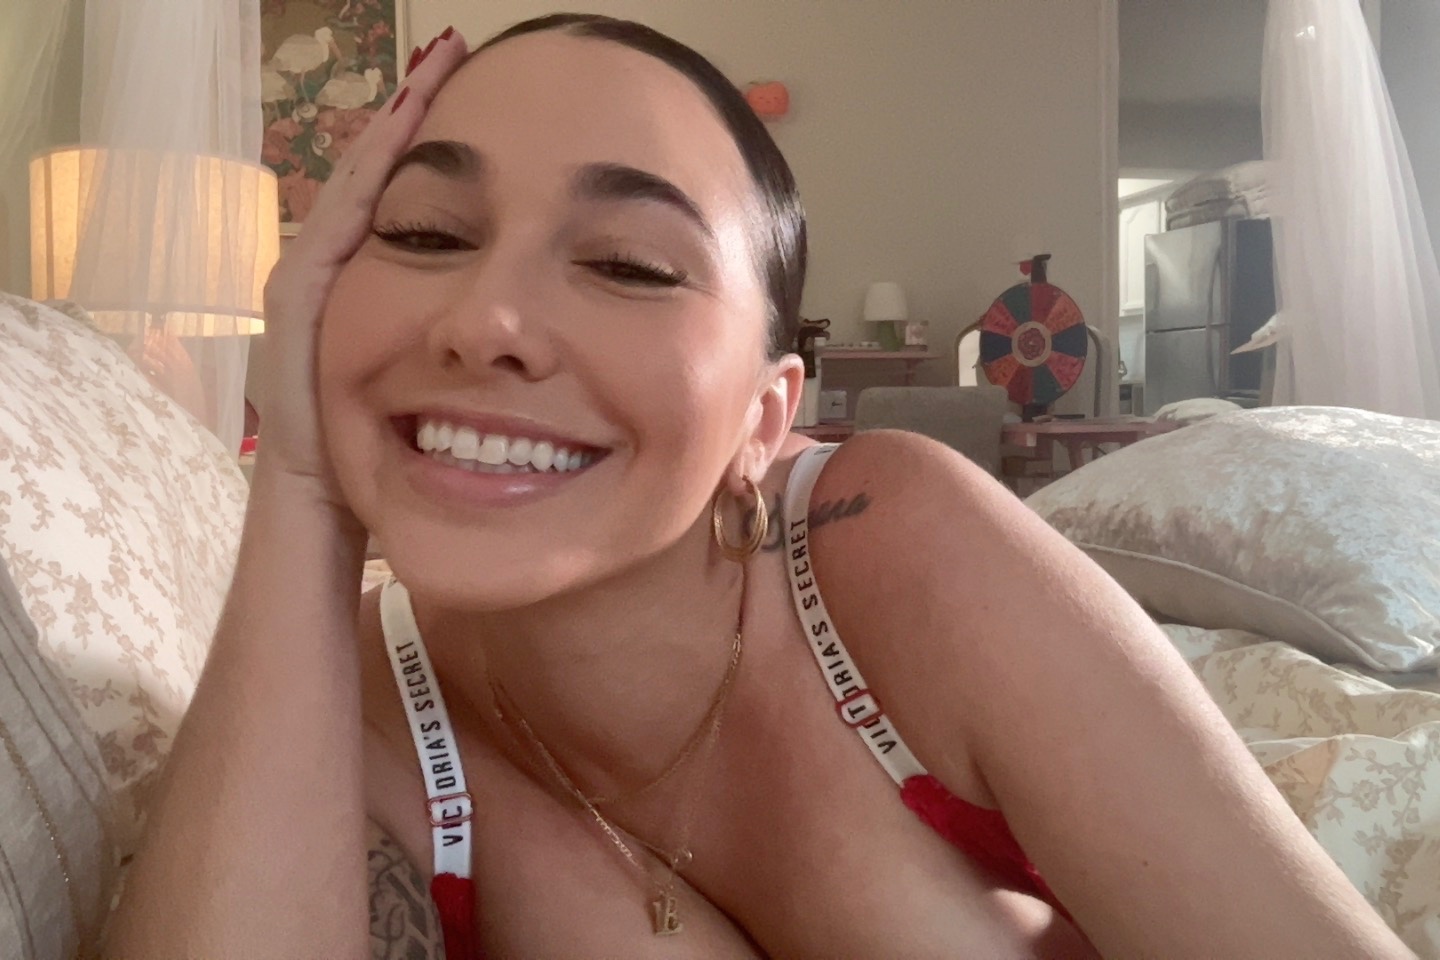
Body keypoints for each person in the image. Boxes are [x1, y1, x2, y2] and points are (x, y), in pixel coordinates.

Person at [104, 14, 1416, 960]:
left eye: (628, 264)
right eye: (424, 235)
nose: (486, 319)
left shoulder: (894, 544)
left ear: (766, 416)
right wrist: (303, 485)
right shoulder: (349, 702)